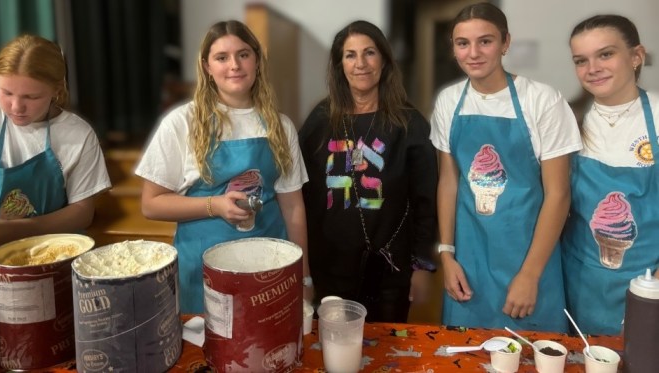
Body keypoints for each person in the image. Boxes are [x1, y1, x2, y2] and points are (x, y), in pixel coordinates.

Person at [136, 20, 310, 314]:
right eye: (221, 57)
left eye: (243, 54)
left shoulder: (281, 126)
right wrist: (214, 205)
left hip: (269, 269)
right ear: (206, 66)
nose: (234, 65)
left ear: (257, 59)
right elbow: (151, 204)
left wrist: (303, 277)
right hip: (203, 272)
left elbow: (293, 208)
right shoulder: (182, 123)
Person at [430, 2, 582, 332]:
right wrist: (446, 253)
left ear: (505, 43)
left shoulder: (542, 100)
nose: (473, 53)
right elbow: (449, 182)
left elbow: (558, 195)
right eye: (462, 43)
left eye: (485, 41)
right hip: (469, 261)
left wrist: (530, 274)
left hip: (529, 257)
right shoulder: (448, 101)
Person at [299, 20, 438, 323]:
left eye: (369, 53)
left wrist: (423, 266)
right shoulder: (320, 122)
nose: (360, 64)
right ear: (340, 65)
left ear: (385, 60)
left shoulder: (409, 124)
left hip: (389, 271)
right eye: (350, 55)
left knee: (386, 358)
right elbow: (300, 197)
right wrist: (304, 272)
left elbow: (426, 200)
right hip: (330, 271)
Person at [0, 34, 111, 276]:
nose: (17, 106)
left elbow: (83, 213)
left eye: (32, 97)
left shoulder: (77, 134)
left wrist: (14, 229)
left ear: (56, 90)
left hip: (55, 261)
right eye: (6, 92)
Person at [562, 14, 659, 335]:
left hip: (648, 283)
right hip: (577, 279)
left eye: (606, 54)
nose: (593, 68)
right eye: (581, 60)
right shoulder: (566, 119)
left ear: (636, 56)